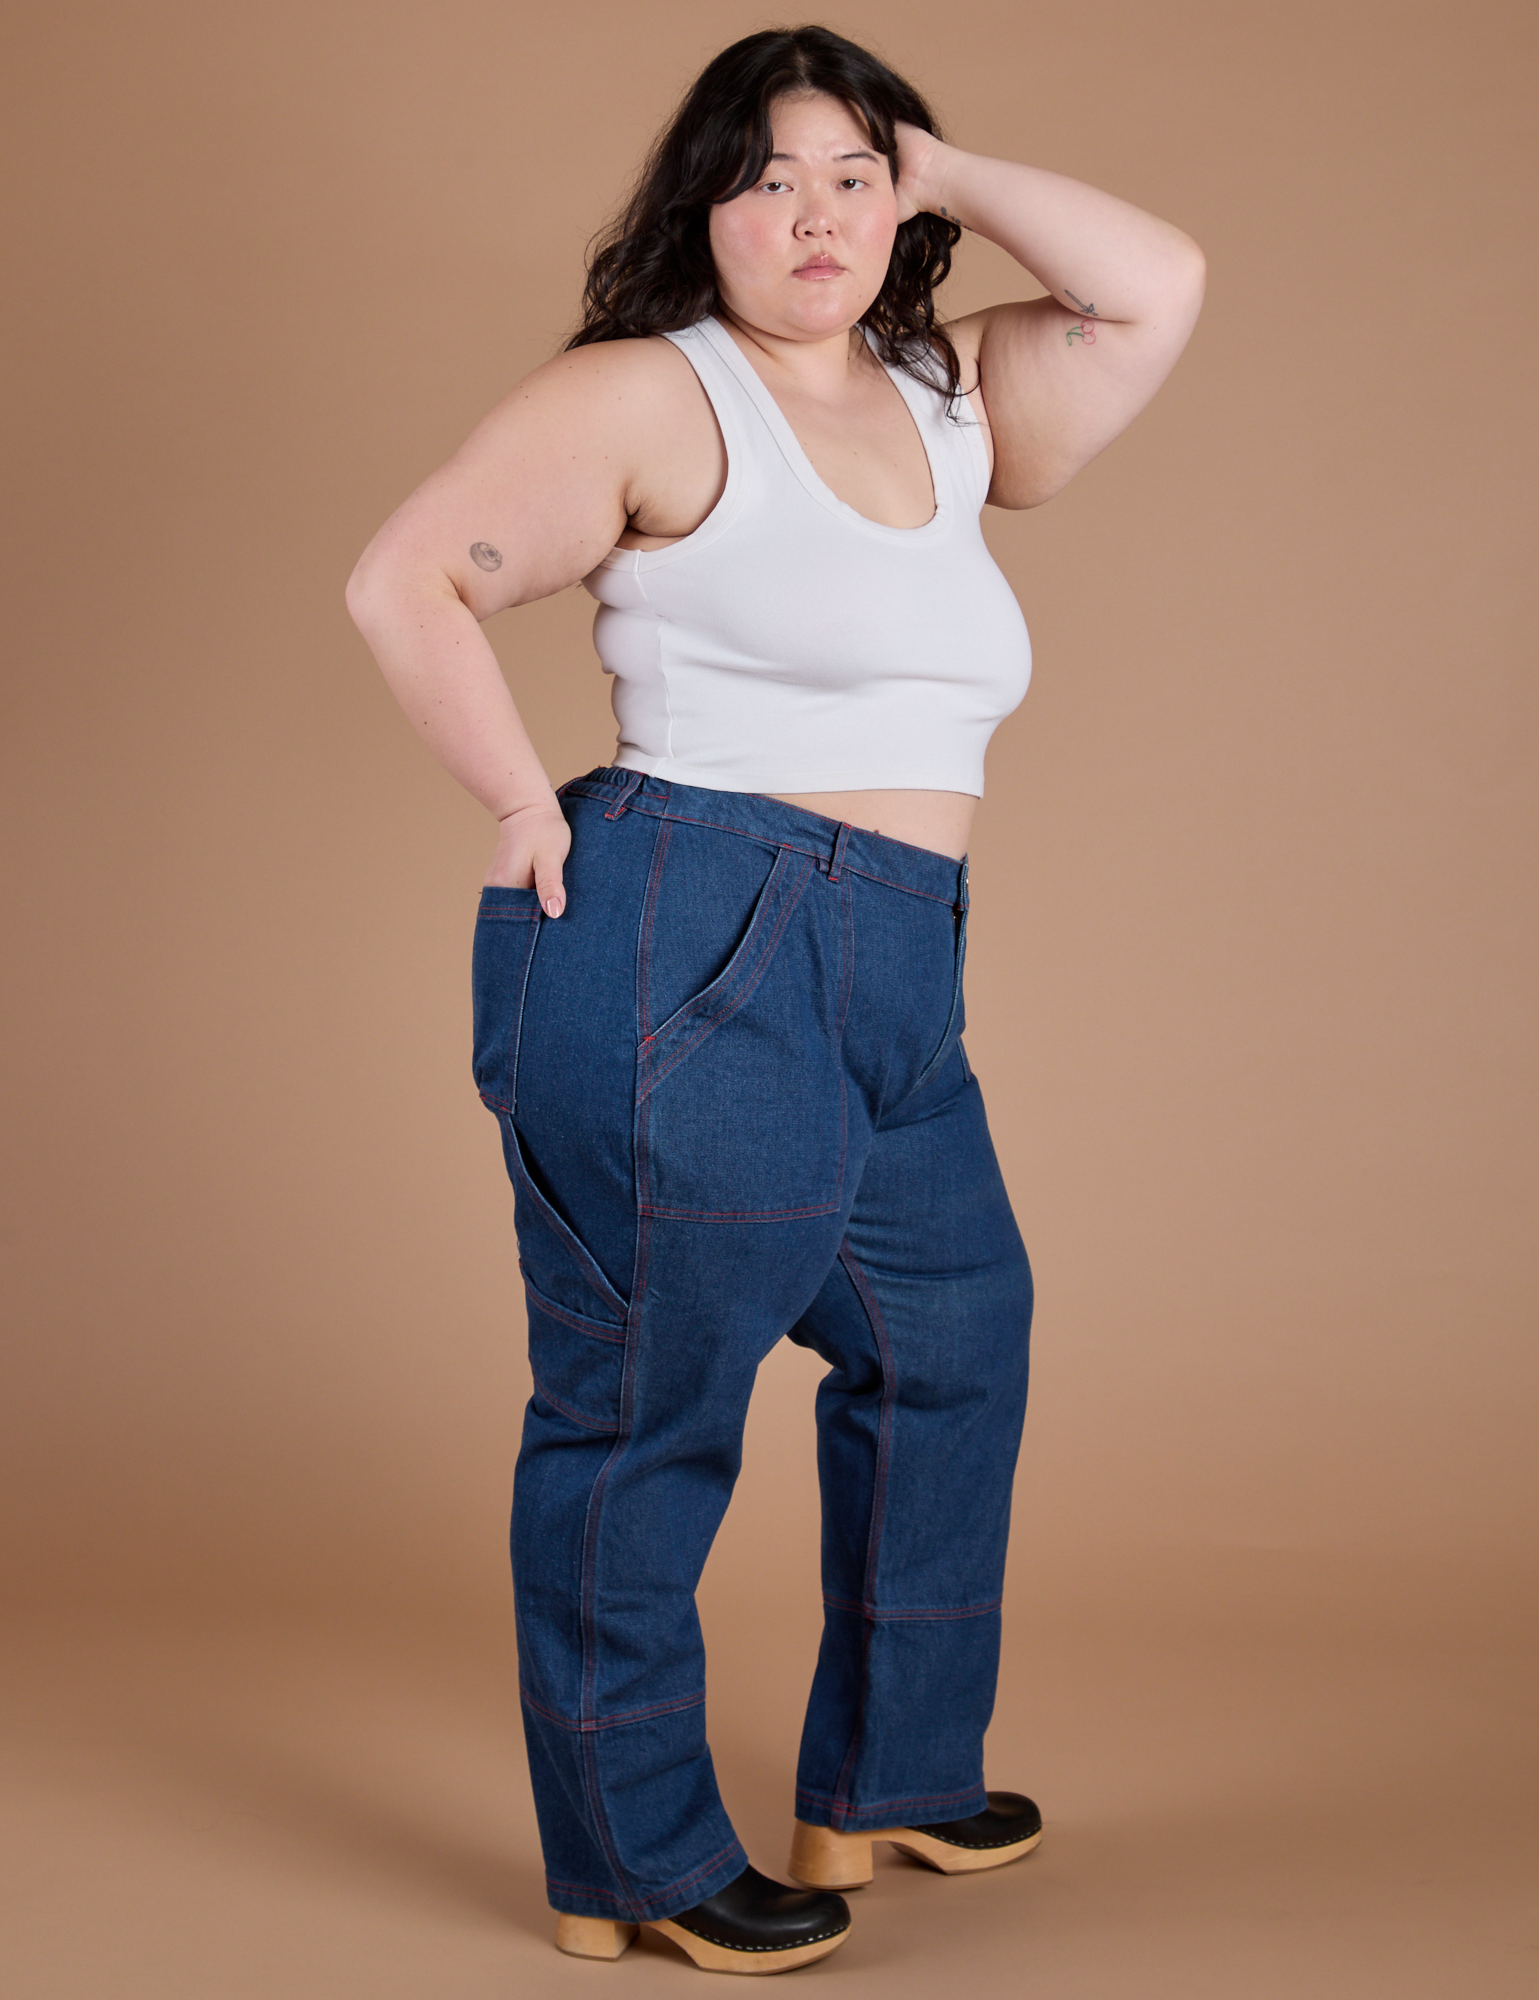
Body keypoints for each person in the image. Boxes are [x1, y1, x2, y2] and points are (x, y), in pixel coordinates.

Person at [347, 23, 1203, 1975]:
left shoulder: (954, 388)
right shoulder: (653, 391)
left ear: (893, 198)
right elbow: (405, 578)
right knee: (648, 1409)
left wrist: (947, 167)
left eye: (845, 174)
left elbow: (1160, 283)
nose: (808, 214)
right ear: (698, 212)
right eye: (762, 177)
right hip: (695, 928)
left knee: (954, 1334)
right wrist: (509, 798)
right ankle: (630, 1856)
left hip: (899, 950)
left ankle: (887, 1769)